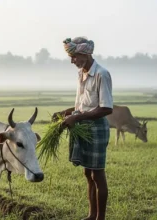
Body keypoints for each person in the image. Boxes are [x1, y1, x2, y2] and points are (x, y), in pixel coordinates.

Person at [52, 37, 113, 220]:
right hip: (83, 126)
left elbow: (106, 108)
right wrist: (66, 112)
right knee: (88, 173)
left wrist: (77, 117)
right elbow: (81, 106)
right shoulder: (81, 74)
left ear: (85, 54)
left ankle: (100, 217)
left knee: (97, 174)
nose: (72, 61)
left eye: (74, 57)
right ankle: (91, 214)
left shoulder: (102, 74)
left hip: (97, 128)